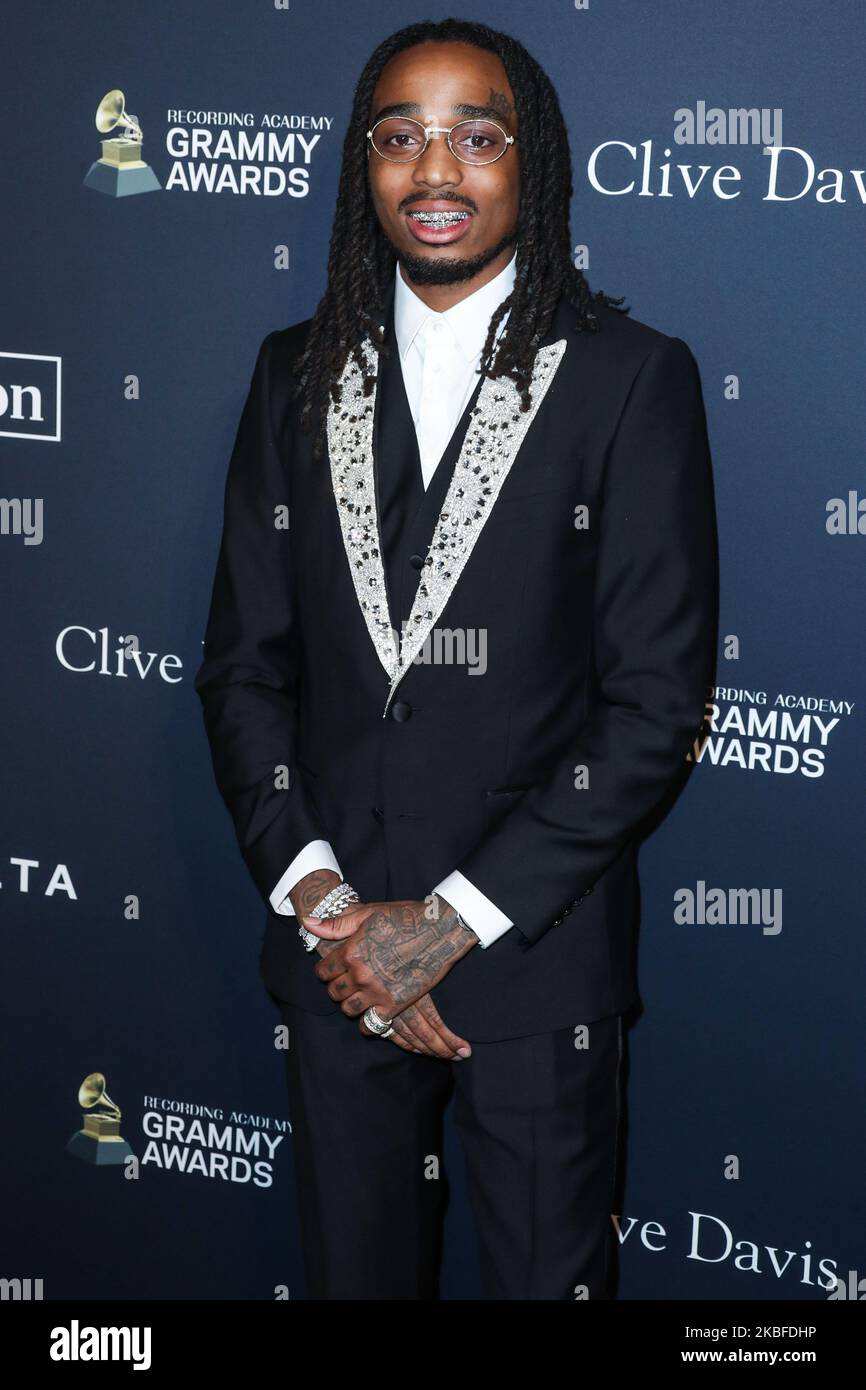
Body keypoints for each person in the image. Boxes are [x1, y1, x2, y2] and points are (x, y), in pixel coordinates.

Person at [194, 16, 718, 1300]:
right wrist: (333, 913)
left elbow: (651, 704)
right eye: (399, 137)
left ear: (528, 160)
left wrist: (443, 925)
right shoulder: (294, 374)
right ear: (363, 166)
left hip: (534, 966)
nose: (436, 170)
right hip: (334, 969)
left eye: (476, 137)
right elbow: (244, 668)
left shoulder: (627, 380)